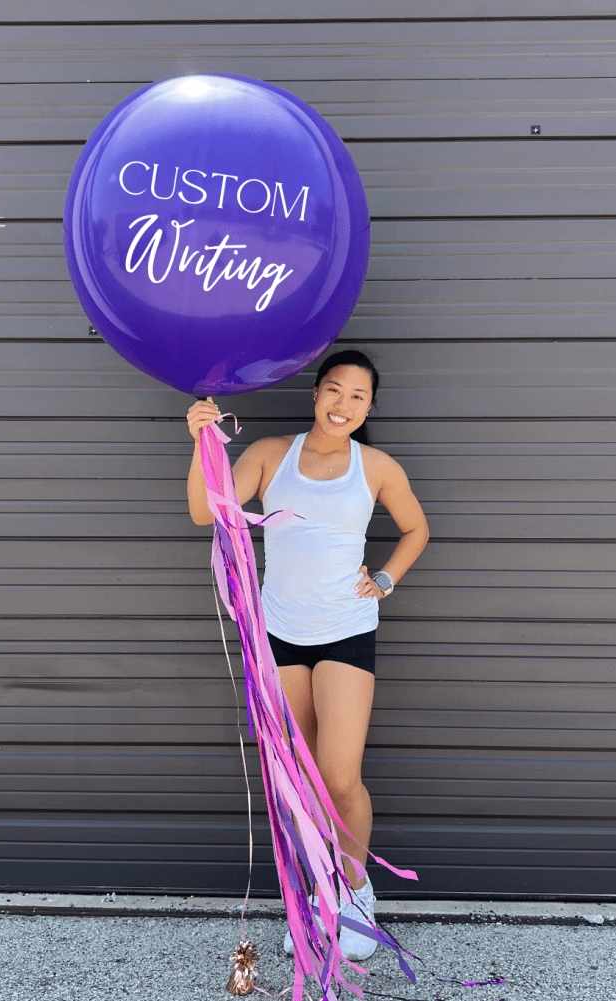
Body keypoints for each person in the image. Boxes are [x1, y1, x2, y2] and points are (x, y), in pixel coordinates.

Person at [185, 349, 429, 961]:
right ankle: (322, 888)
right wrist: (202, 441)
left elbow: (417, 529)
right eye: (336, 390)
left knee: (341, 776)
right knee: (306, 777)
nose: (344, 404)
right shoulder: (271, 454)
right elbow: (203, 511)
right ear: (316, 391)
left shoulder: (376, 467)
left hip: (345, 628)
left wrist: (387, 578)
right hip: (281, 632)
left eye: (358, 397)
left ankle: (356, 890)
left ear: (369, 408)